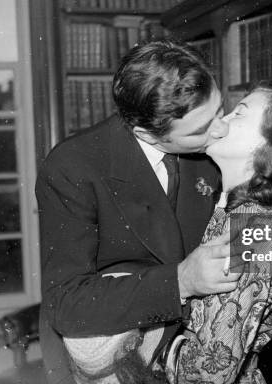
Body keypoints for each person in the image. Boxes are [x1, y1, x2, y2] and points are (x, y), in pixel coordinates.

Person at [36, 39, 234, 384]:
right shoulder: (73, 166)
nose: (222, 129)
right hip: (105, 356)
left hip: (192, 346)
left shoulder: (216, 146)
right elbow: (66, 302)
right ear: (146, 133)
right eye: (202, 128)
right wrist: (181, 281)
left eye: (221, 109)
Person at [167, 85, 272, 383]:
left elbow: (209, 374)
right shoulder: (230, 212)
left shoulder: (256, 233)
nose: (220, 121)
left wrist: (147, 347)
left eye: (238, 113)